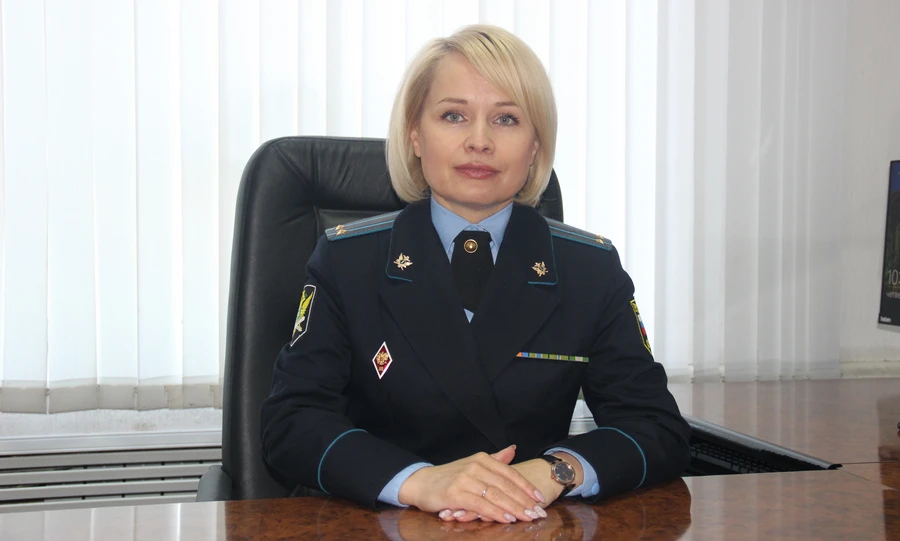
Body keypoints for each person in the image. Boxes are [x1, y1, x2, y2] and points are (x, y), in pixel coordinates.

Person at [260, 24, 690, 524]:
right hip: (383, 524)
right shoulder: (347, 261)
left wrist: (556, 471)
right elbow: (292, 423)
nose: (479, 141)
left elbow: (656, 426)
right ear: (415, 135)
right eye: (453, 116)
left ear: (535, 145)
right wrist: (420, 481)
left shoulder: (589, 269)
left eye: (506, 119)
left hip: (530, 523)